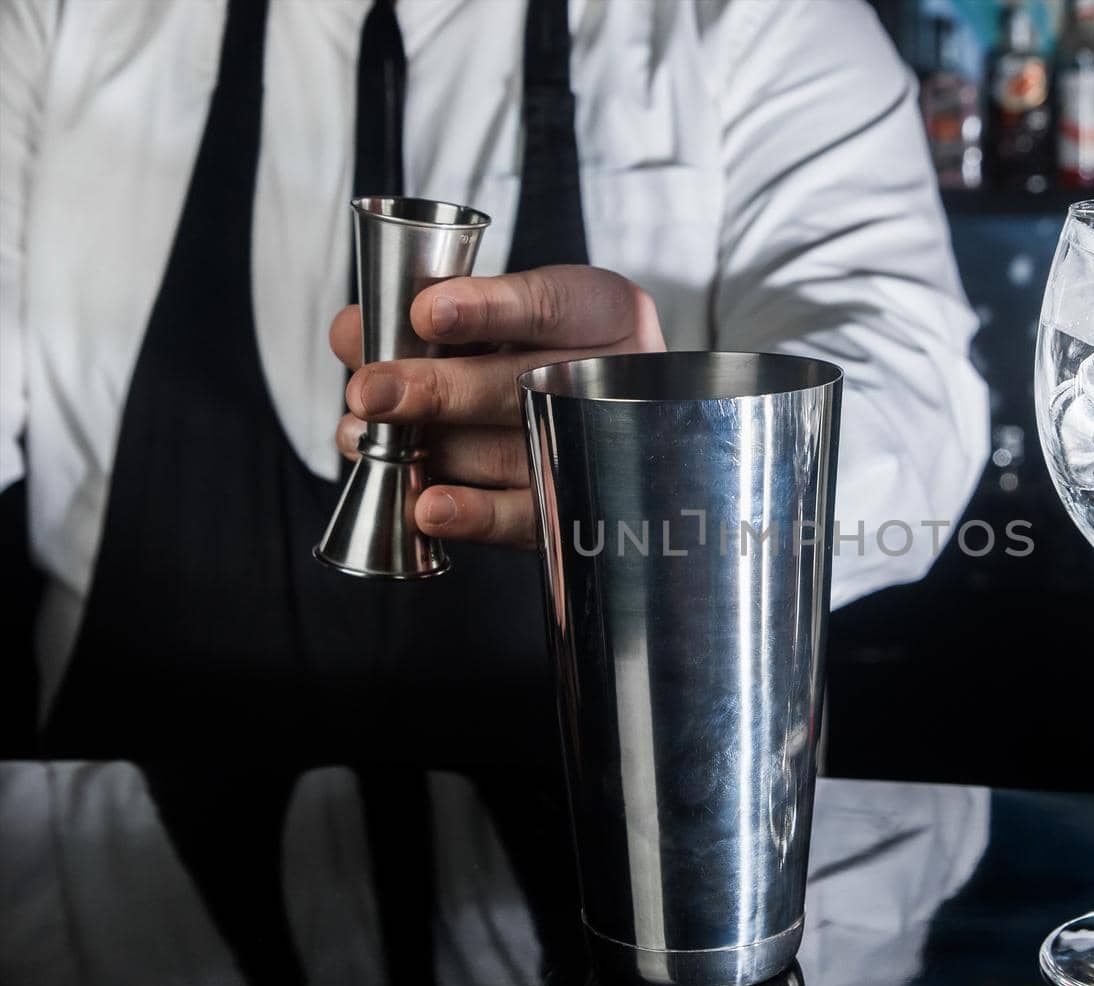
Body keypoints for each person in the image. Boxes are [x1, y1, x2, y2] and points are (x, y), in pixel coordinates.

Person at [0, 0, 988, 754]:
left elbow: (914, 404)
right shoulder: (58, 19)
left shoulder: (757, 21)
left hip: (636, 851)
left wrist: (693, 449)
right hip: (127, 866)